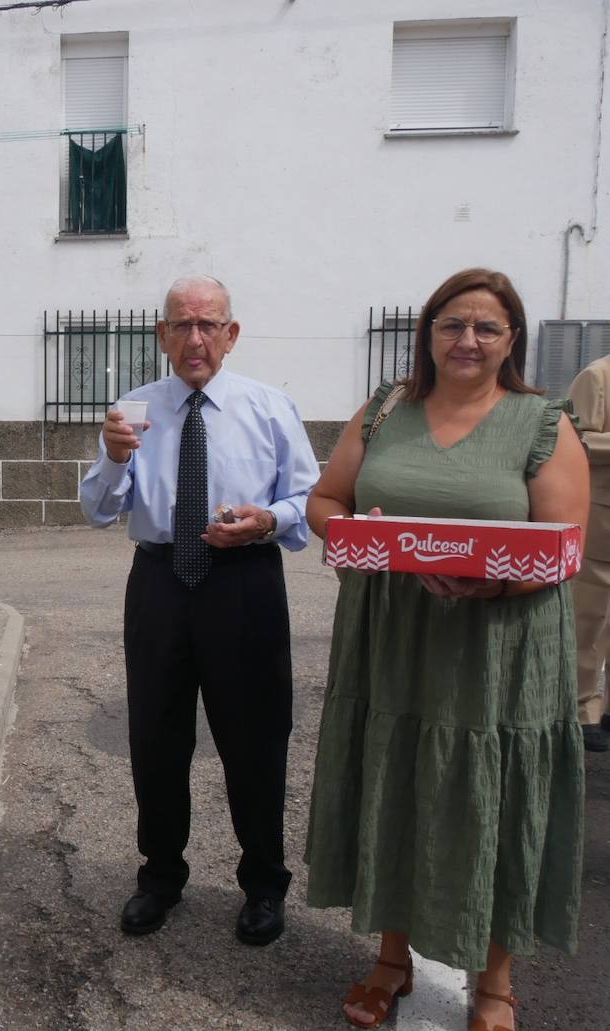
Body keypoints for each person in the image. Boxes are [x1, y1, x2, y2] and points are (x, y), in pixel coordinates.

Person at [305, 268, 586, 1031]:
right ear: (428, 334)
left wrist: (488, 585)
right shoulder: (384, 410)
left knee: (489, 797)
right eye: (451, 324)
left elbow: (564, 547)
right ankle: (392, 960)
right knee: (396, 782)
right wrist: (364, 537)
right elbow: (325, 502)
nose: (467, 339)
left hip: (497, 649)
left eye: (486, 327)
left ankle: (495, 984)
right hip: (393, 636)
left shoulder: (541, 423)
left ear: (511, 341)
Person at [79, 274, 318, 947]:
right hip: (159, 581)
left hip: (242, 582)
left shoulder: (270, 408)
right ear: (161, 335)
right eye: (181, 324)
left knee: (256, 738)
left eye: (208, 324)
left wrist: (267, 518)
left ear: (231, 334)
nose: (195, 338)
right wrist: (113, 458)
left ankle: (265, 884)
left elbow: (308, 501)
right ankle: (159, 875)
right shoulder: (134, 409)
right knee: (155, 737)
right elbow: (98, 508)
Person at [566, 352, 610, 751]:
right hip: (601, 522)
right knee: (589, 621)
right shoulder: (598, 376)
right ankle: (582, 709)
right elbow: (575, 437)